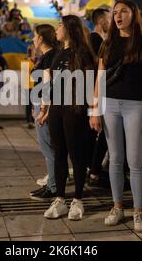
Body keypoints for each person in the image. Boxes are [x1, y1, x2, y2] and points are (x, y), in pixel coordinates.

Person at [89, 0, 142, 231]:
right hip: (109, 104)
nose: (118, 16)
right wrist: (95, 110)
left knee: (135, 161)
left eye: (123, 11)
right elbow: (99, 78)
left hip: (136, 105)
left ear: (133, 14)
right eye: (115, 12)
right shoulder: (107, 43)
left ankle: (138, 212)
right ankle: (117, 207)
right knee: (115, 159)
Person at [43, 15, 95, 221]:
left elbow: (90, 83)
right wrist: (47, 109)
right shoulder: (59, 52)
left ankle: (78, 200)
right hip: (57, 108)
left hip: (75, 109)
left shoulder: (82, 52)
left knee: (77, 155)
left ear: (70, 29)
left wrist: (93, 111)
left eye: (60, 25)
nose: (57, 29)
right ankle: (60, 199)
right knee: (58, 154)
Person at [29, 24, 61, 201]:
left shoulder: (50, 57)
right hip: (41, 103)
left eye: (34, 36)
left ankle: (53, 187)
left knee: (48, 147)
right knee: (47, 147)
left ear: (41, 38)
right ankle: (52, 184)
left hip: (45, 105)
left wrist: (43, 109)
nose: (33, 39)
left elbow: (48, 86)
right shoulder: (46, 56)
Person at [87, 8, 110, 188]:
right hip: (97, 91)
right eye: (109, 18)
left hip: (98, 90)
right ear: (101, 20)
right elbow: (98, 66)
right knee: (102, 132)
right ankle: (94, 171)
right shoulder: (95, 39)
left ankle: (94, 169)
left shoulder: (99, 39)